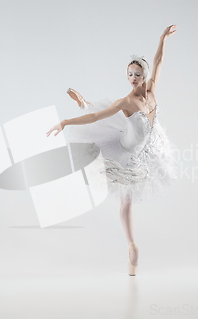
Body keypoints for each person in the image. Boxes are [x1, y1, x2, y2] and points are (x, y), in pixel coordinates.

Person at [46, 25, 179, 276]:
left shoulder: (151, 92)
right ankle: (132, 246)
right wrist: (65, 122)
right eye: (129, 74)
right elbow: (97, 117)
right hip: (125, 150)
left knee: (131, 194)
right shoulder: (126, 102)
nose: (132, 78)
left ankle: (85, 101)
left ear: (145, 76)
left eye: (137, 74)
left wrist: (162, 39)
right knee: (125, 200)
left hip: (147, 148)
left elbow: (159, 61)